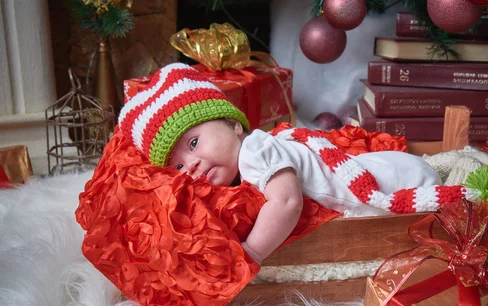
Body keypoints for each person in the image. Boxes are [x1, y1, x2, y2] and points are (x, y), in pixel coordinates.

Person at [118, 63, 443, 264]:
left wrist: (253, 251)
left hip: (403, 178)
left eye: (193, 143)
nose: (189, 165)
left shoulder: (255, 151)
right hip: (386, 167)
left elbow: (287, 201)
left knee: (390, 185)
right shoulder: (249, 161)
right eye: (176, 166)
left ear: (233, 125)